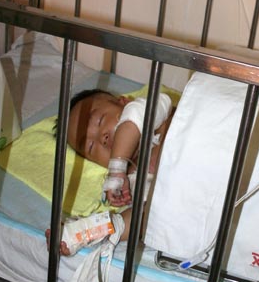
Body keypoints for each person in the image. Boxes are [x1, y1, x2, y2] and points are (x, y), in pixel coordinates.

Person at [47, 88, 174, 255]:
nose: (102, 138)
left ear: (124, 102)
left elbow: (136, 115)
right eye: (91, 147)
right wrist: (87, 230)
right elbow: (148, 218)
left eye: (100, 120)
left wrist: (117, 167)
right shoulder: (132, 180)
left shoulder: (157, 113)